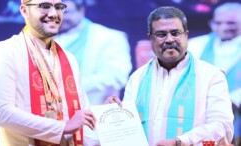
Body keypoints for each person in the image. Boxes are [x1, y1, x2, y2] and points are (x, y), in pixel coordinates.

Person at [106, 6, 234, 146]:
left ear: (186, 35)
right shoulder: (137, 78)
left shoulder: (211, 75)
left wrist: (181, 142)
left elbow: (222, 126)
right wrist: (115, 115)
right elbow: (129, 131)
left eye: (175, 33)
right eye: (161, 34)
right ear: (150, 38)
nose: (169, 40)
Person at [0, 0, 99, 145]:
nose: (53, 14)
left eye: (58, 7)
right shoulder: (6, 51)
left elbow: (82, 118)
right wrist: (62, 128)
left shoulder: (69, 59)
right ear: (24, 10)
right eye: (44, 6)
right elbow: (2, 113)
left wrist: (111, 118)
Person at [54, 0, 132, 105]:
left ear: (81, 11)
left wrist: (67, 86)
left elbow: (114, 77)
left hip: (93, 109)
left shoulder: (109, 38)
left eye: (65, 12)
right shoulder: (45, 38)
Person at [188, 2, 241, 145]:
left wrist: (233, 100)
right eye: (218, 23)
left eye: (231, 23)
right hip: (204, 113)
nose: (224, 27)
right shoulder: (195, 44)